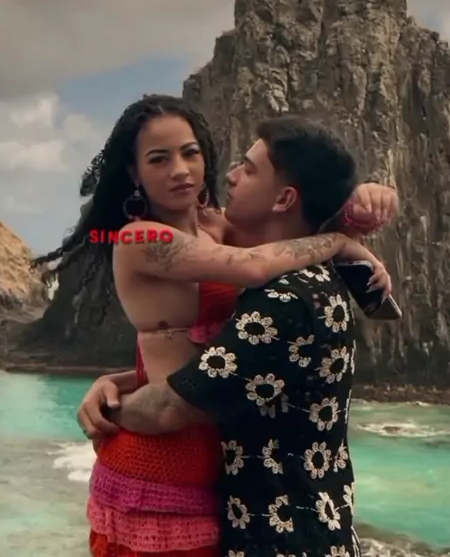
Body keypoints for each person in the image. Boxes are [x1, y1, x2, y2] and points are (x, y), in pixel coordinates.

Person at [53, 95, 394, 557]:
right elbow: (255, 265)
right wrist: (338, 242)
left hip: (214, 465)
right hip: (159, 457)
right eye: (159, 159)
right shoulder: (140, 238)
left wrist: (357, 206)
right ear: (135, 174)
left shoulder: (216, 228)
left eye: (190, 153)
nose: (180, 170)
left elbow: (288, 224)